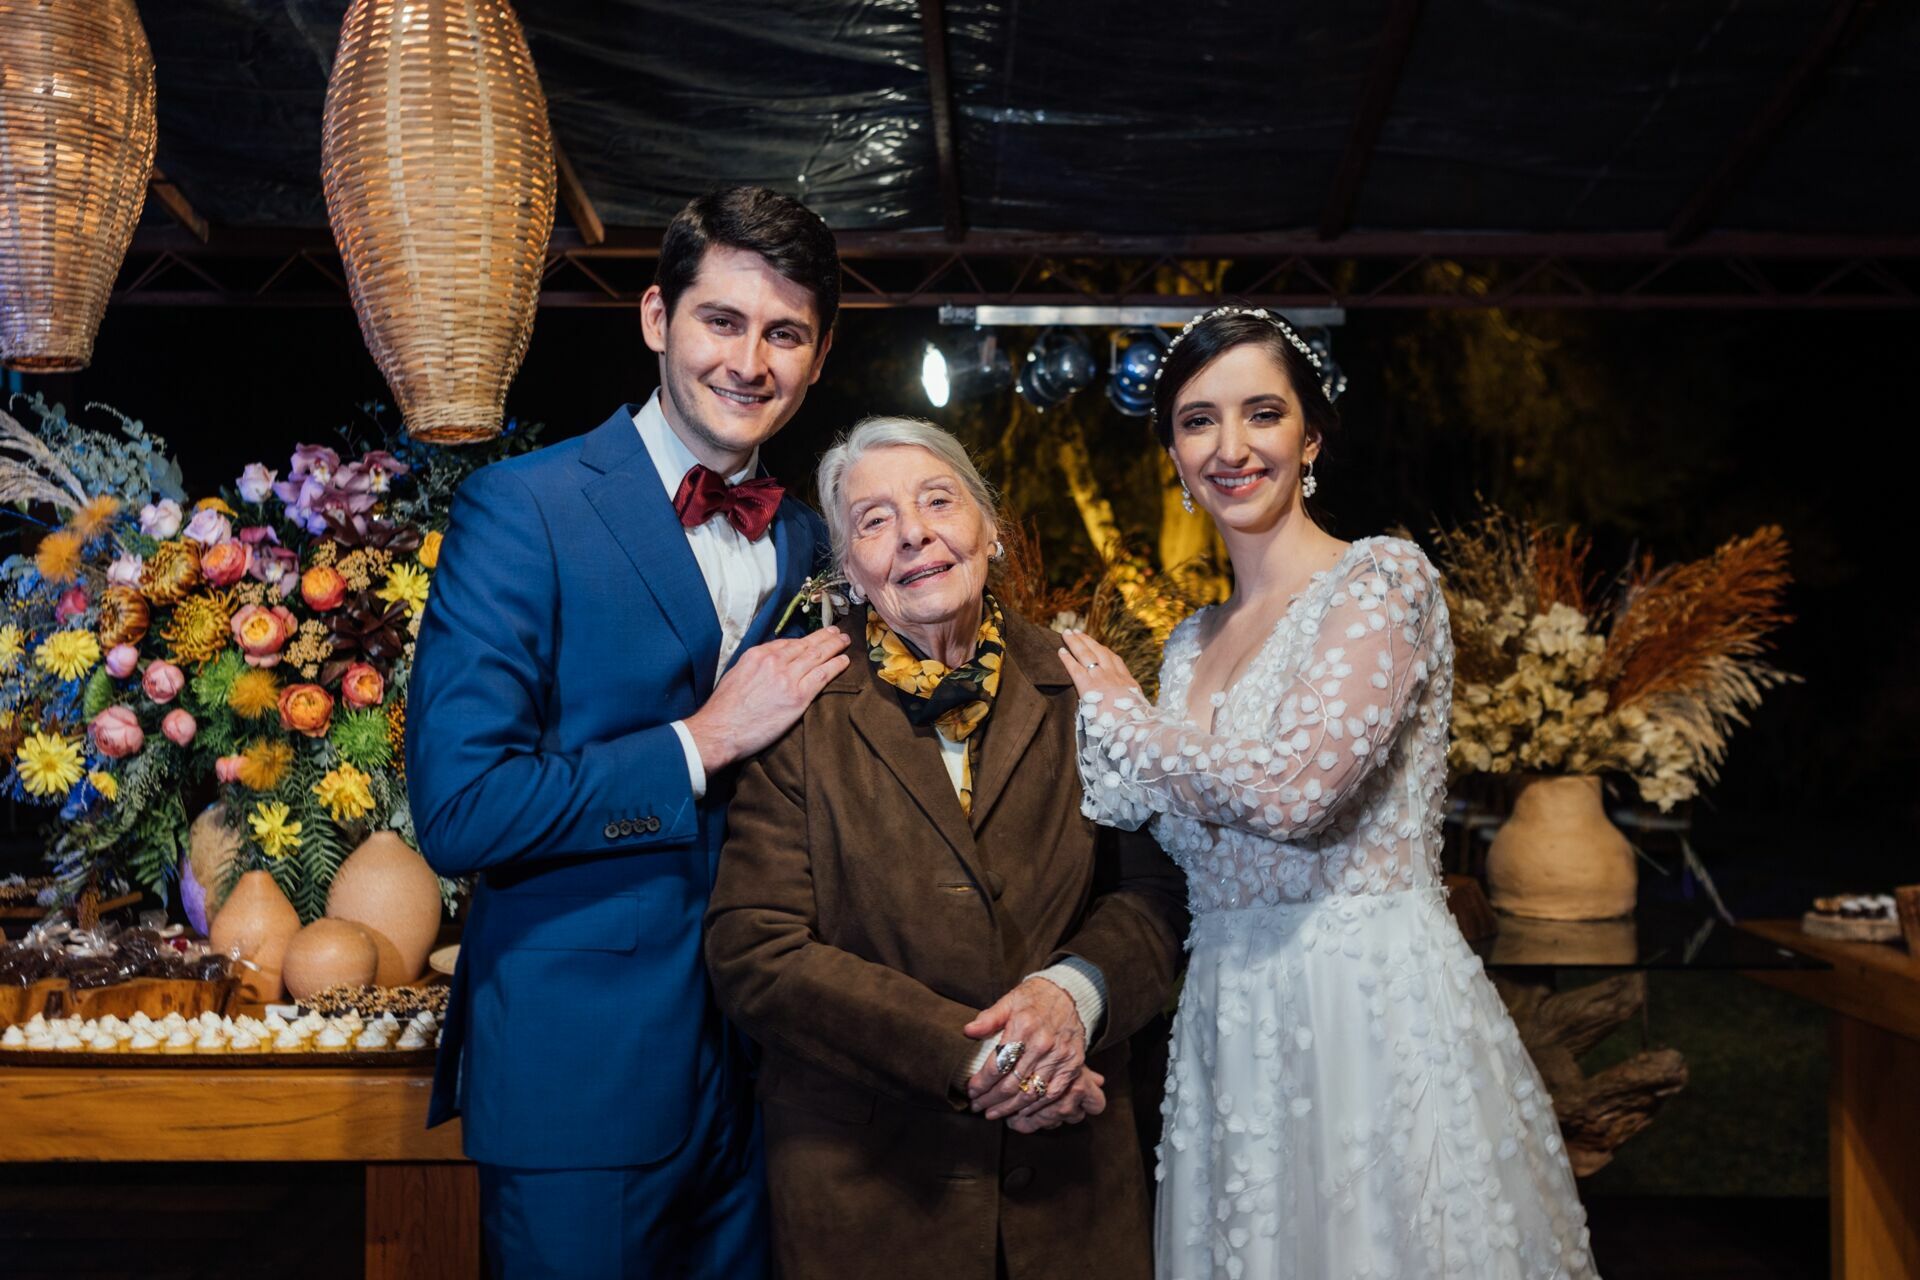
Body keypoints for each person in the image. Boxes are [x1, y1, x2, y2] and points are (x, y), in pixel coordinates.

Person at [1059, 306, 1598, 1279]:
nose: (1230, 446)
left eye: (1261, 412)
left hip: (1367, 1007)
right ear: (1173, 452)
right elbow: (1167, 825)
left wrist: (1121, 715)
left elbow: (1295, 791)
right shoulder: (1186, 644)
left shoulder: (1382, 581)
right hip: (1229, 1012)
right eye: (1196, 420)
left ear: (1310, 436)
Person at [406, 185, 853, 1278]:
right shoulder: (525, 506)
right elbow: (461, 806)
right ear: (657, 317)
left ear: (819, 355)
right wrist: (696, 743)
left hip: (770, 1079)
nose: (751, 360)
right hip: (581, 1072)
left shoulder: (815, 538)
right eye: (724, 320)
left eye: (785, 333)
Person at [705, 417, 1188, 1280]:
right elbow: (756, 949)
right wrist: (979, 1058)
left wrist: (1073, 997)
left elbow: (1154, 900)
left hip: (1074, 1189)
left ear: (990, 529)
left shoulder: (1087, 685)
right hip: (871, 1195)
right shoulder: (799, 708)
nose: (914, 532)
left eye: (938, 501)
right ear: (848, 568)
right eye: (874, 520)